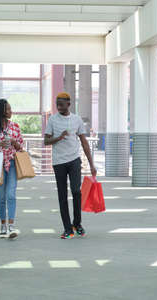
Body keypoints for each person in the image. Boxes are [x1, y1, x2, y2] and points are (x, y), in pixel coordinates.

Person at [44, 92, 97, 239]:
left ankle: (77, 224)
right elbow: (46, 141)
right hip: (59, 162)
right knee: (62, 195)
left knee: (76, 191)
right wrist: (59, 137)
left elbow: (84, 142)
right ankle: (67, 229)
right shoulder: (52, 120)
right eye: (57, 104)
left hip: (74, 160)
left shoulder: (77, 120)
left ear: (69, 104)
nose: (59, 107)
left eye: (61, 104)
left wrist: (92, 164)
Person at [0, 99, 24, 239]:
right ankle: (2, 225)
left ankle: (11, 226)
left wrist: (14, 143)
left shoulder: (15, 127)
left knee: (11, 195)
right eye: (8, 109)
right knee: (1, 197)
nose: (11, 111)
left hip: (12, 164)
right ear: (2, 111)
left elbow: (21, 147)